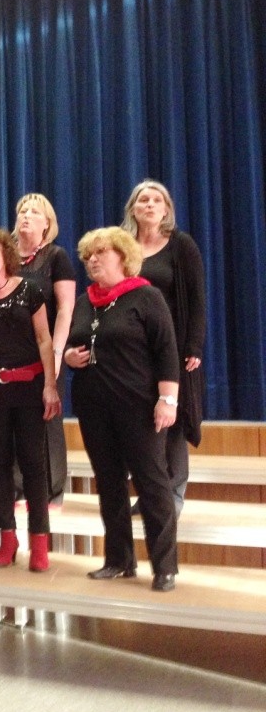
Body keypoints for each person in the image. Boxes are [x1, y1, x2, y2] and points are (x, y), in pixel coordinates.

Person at [64, 227, 180, 592]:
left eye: (100, 253)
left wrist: (168, 399)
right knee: (110, 483)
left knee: (152, 483)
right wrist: (69, 357)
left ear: (123, 257)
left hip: (139, 407)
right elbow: (72, 342)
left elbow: (167, 351)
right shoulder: (86, 301)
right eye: (88, 256)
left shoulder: (147, 297)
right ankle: (119, 560)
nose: (92, 260)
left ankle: (164, 567)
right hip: (94, 407)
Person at [0, 228, 60, 572]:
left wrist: (50, 384)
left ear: (6, 254)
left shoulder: (29, 290)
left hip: (30, 386)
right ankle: (7, 537)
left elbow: (44, 339)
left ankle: (39, 542)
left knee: (34, 463)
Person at [123, 179, 206, 515]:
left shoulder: (181, 245)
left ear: (167, 209)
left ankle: (172, 494)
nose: (150, 205)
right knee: (142, 425)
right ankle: (149, 492)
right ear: (133, 209)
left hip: (172, 347)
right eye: (143, 200)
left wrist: (195, 345)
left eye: (157, 200)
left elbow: (197, 299)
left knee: (170, 422)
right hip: (132, 352)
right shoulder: (122, 245)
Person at [13, 193, 76, 506]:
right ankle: (20, 487)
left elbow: (65, 308)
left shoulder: (56, 256)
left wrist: (56, 351)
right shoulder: (6, 255)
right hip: (10, 350)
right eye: (23, 210)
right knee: (15, 417)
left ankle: (52, 490)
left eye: (34, 212)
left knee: (46, 416)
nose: (26, 215)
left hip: (46, 348)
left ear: (47, 223)